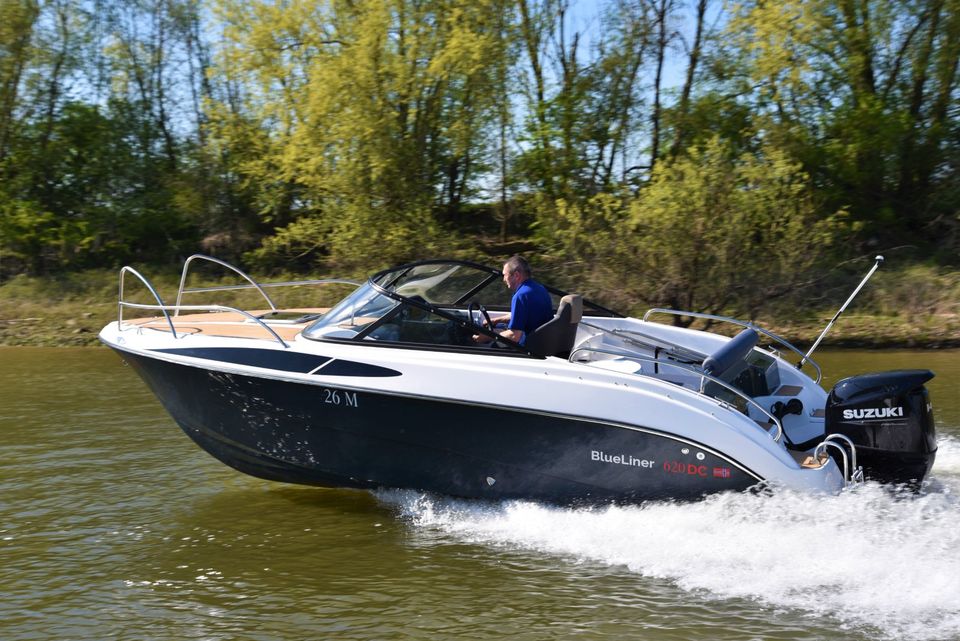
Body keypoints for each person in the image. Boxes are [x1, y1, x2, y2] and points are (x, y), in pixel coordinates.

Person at [474, 255, 553, 346]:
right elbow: (522, 314)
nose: (503, 279)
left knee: (492, 345)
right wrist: (495, 320)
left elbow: (514, 336)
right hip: (543, 341)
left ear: (516, 275)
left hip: (531, 348)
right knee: (498, 328)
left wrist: (488, 336)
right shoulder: (539, 288)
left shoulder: (521, 296)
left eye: (505, 275)